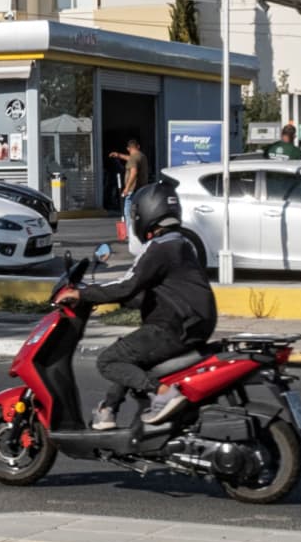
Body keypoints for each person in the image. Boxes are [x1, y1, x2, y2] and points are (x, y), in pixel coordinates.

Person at [62, 183, 217, 429]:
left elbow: (127, 284)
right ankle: (109, 409)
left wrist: (83, 294)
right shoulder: (182, 243)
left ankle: (164, 393)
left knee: (108, 361)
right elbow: (153, 292)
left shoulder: (159, 247)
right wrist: (116, 300)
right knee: (129, 354)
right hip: (194, 324)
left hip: (174, 327)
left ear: (145, 213)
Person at [107, 138, 150, 205]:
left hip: (133, 189)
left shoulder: (133, 158)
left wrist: (127, 188)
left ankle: (128, 216)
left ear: (128, 149)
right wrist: (118, 155)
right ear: (138, 146)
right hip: (141, 188)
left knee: (128, 207)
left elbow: (134, 173)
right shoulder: (141, 156)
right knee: (137, 207)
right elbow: (130, 159)